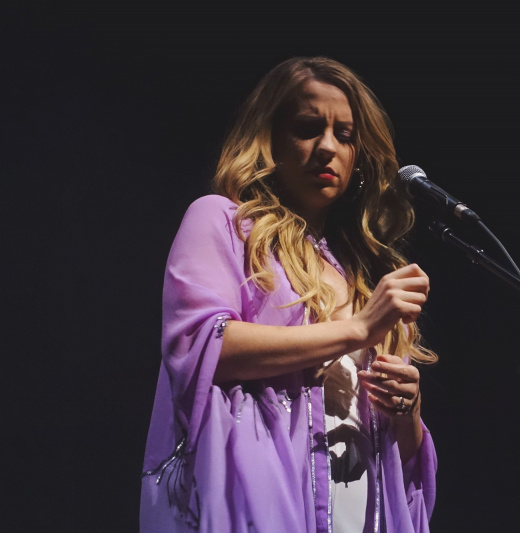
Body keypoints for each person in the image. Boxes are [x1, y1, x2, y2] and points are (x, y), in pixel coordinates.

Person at [139, 56, 438, 533]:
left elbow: (400, 460)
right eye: (307, 128)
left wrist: (408, 412)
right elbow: (202, 348)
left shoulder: (363, 273)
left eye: (344, 136)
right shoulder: (224, 222)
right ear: (269, 139)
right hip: (267, 504)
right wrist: (357, 329)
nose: (327, 147)